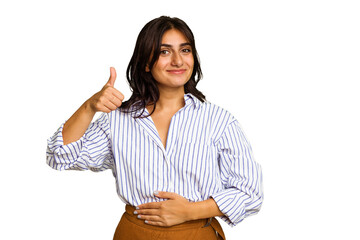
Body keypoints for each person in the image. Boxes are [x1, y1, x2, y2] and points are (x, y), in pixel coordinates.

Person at [46, 16, 263, 240]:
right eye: (165, 52)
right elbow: (59, 156)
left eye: (185, 50)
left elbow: (250, 193)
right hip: (135, 233)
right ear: (146, 63)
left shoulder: (219, 121)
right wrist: (89, 107)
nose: (178, 61)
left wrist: (190, 211)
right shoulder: (118, 121)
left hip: (197, 233)